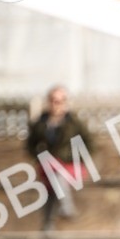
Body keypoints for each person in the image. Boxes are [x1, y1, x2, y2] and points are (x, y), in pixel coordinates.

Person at [26, 86, 94, 229]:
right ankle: (52, 222)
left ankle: (59, 214)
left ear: (65, 102)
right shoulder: (41, 123)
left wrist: (76, 157)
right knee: (52, 183)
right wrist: (40, 158)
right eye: (53, 101)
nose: (57, 104)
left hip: (71, 166)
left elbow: (89, 143)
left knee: (57, 178)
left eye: (60, 101)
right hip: (49, 167)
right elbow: (30, 145)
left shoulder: (74, 123)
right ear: (48, 102)